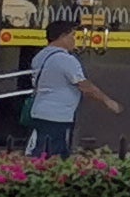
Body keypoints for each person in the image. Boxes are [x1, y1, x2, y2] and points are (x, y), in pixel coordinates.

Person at [26, 22, 115, 158]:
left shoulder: (40, 56)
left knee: (44, 152)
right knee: (52, 155)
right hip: (57, 114)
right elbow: (84, 85)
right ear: (62, 36)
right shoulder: (65, 59)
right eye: (73, 36)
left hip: (41, 110)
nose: (75, 40)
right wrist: (107, 101)